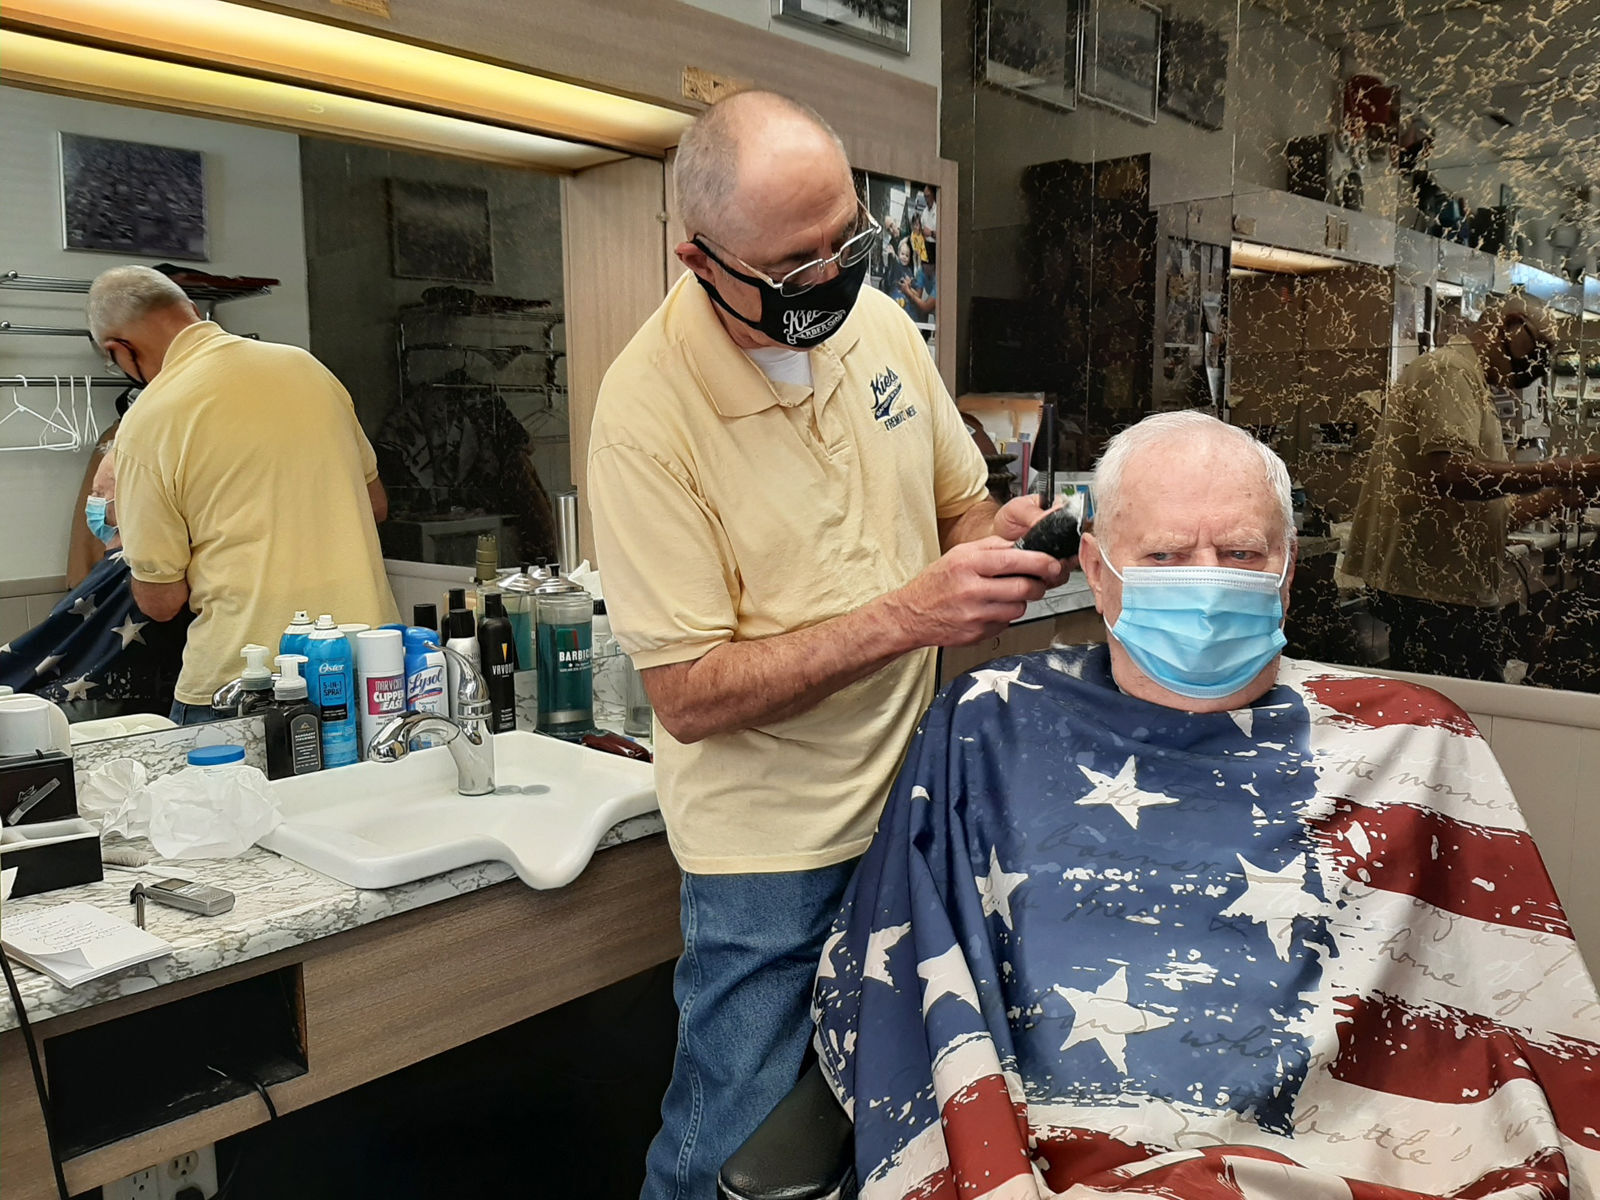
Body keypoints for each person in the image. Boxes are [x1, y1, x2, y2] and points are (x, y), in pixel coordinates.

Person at [812, 411, 1600, 1199]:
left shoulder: (1414, 741)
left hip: (1347, 1161)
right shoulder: (990, 726)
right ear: (1096, 567)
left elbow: (1506, 1019)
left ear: (1287, 571)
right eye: (1163, 555)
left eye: (1240, 553)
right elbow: (903, 994)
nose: (1207, 577)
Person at [586, 90, 1068, 1200]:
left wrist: (988, 546)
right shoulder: (646, 417)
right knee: (732, 1149)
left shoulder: (877, 323)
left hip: (913, 802)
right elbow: (689, 694)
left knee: (894, 1121)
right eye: (797, 267)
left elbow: (956, 503)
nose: (837, 279)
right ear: (698, 259)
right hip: (774, 854)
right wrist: (911, 616)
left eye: (847, 238)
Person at [87, 265, 399, 724]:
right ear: (191, 312)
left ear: (120, 349)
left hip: (245, 682)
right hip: (368, 665)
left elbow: (160, 601)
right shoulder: (306, 368)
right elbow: (375, 505)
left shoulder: (148, 421)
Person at [1346, 291, 1600, 679]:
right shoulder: (1449, 370)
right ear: (1512, 326)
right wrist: (1560, 469)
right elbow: (1455, 478)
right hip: (1435, 597)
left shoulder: (1473, 384)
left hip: (1451, 593)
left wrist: (1558, 497)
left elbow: (1487, 509)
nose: (1542, 362)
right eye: (1541, 346)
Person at [0, 438, 191, 718]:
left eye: (100, 493)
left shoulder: (135, 569)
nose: (93, 503)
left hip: (101, 708)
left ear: (132, 500)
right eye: (94, 492)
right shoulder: (117, 566)